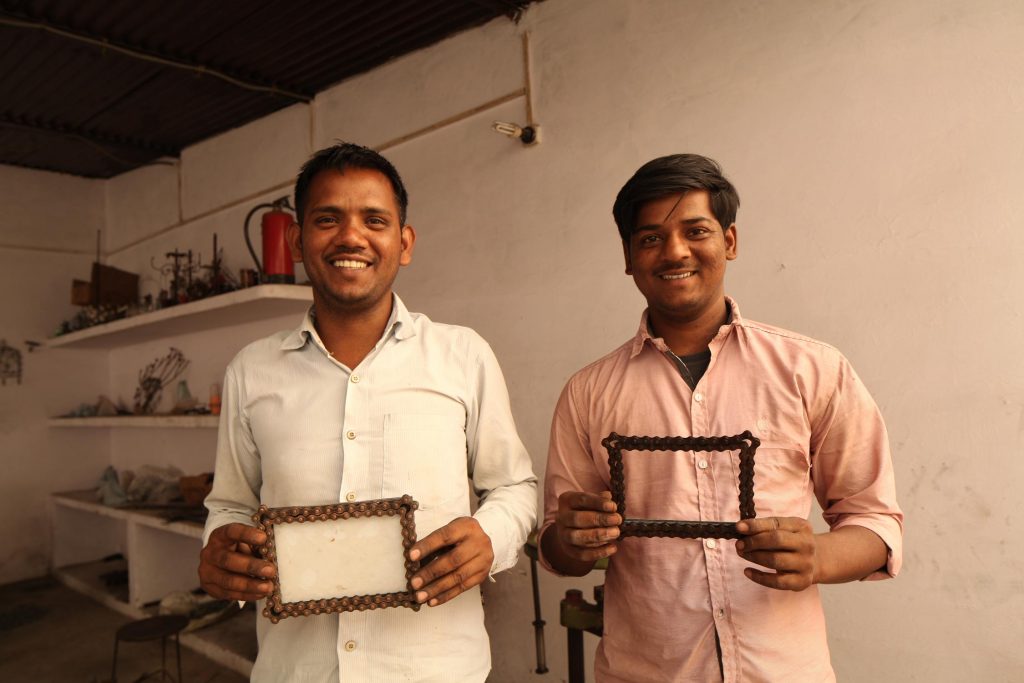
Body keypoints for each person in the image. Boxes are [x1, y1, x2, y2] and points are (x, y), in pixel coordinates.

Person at [538, 153, 902, 682]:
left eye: (696, 230)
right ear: (628, 256)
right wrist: (569, 540)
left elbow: (877, 522)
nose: (675, 251)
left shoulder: (812, 370)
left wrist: (818, 556)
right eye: (650, 238)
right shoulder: (588, 393)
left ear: (729, 241)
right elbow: (556, 544)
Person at [199, 142, 537, 682]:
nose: (351, 237)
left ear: (404, 243)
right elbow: (231, 504)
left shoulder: (462, 355)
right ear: (296, 241)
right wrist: (220, 547)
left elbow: (516, 487)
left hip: (435, 670)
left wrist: (490, 537)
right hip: (297, 670)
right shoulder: (251, 371)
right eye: (327, 219)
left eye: (374, 220)